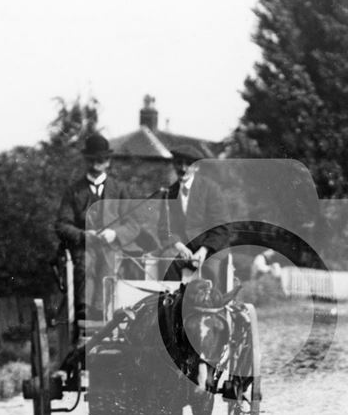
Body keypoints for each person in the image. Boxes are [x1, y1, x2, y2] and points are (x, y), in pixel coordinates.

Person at [54, 133, 141, 319]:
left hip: (112, 246)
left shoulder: (120, 189)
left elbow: (133, 225)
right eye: (92, 160)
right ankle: (84, 312)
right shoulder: (74, 191)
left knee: (110, 261)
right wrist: (84, 235)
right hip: (83, 246)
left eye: (100, 160)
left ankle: (104, 312)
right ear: (86, 160)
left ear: (108, 162)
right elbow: (62, 224)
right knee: (85, 262)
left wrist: (114, 234)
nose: (96, 165)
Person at [157, 144, 230, 289]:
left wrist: (203, 250)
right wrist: (178, 245)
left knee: (210, 269)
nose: (183, 169)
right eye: (179, 163)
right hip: (182, 247)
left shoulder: (211, 189)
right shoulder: (169, 192)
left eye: (188, 164)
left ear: (197, 167)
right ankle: (172, 306)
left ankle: (210, 309)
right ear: (174, 164)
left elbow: (220, 227)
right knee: (167, 260)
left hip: (210, 248)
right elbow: (165, 227)